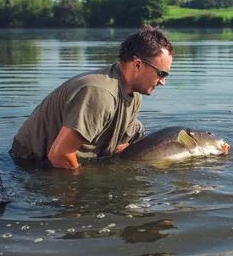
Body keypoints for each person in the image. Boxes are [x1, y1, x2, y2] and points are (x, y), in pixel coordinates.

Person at [11, 25, 174, 170]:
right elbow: (59, 155)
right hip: (31, 161)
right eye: (161, 73)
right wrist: (80, 191)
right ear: (138, 65)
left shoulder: (135, 94)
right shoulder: (99, 93)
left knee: (138, 130)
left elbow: (120, 148)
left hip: (71, 157)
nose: (163, 82)